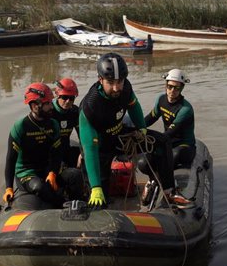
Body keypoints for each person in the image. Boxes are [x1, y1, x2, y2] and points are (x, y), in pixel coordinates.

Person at [79, 52, 191, 209]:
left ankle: (169, 191)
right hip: (99, 146)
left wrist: (142, 129)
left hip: (119, 135)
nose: (116, 87)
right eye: (111, 82)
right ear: (100, 80)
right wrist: (96, 187)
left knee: (162, 142)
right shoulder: (91, 107)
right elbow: (89, 148)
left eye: (120, 81)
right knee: (100, 196)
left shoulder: (125, 89)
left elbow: (134, 106)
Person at [3, 82, 83, 208]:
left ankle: (80, 205)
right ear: (35, 106)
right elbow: (10, 159)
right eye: (47, 104)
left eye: (51, 102)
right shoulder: (20, 127)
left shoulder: (53, 124)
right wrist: (8, 187)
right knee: (39, 187)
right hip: (27, 174)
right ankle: (62, 205)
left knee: (75, 175)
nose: (52, 106)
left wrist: (52, 172)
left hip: (46, 169)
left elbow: (57, 153)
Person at [142, 68, 196, 169]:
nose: (172, 91)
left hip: (184, 146)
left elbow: (171, 132)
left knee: (174, 155)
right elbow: (152, 117)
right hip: (168, 142)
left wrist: (150, 139)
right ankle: (153, 180)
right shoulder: (161, 99)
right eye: (170, 86)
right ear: (165, 85)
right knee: (143, 162)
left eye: (176, 88)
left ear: (182, 88)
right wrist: (138, 127)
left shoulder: (185, 109)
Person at [51, 78, 81, 169]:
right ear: (57, 95)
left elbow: (82, 135)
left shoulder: (74, 111)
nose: (68, 101)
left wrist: (83, 154)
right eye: (64, 97)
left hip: (66, 149)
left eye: (71, 98)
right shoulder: (49, 111)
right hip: (50, 154)